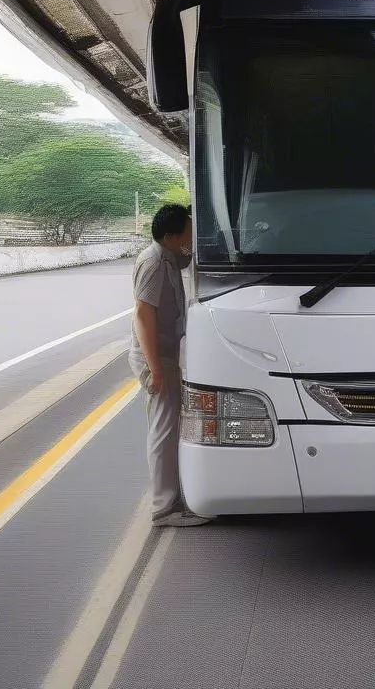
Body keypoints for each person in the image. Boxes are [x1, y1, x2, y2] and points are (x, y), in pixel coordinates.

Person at [128, 203, 209, 527]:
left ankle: (172, 499)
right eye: (189, 227)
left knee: (170, 425)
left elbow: (190, 258)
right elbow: (142, 314)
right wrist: (156, 368)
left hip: (164, 354)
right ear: (173, 233)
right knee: (163, 430)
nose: (192, 232)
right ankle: (164, 508)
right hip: (154, 356)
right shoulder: (153, 262)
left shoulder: (169, 256)